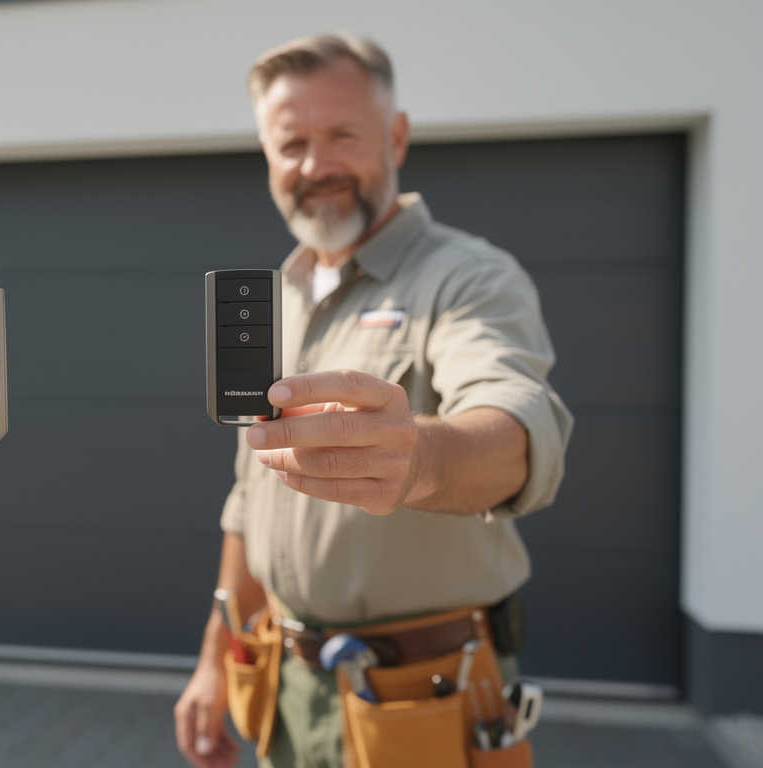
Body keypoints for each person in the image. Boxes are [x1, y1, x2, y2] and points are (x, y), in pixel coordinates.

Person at [173, 34, 573, 768]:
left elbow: (519, 425)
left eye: (341, 136)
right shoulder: (279, 299)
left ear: (395, 136)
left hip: (431, 700)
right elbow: (248, 496)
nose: (314, 165)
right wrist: (213, 654)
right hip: (286, 689)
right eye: (291, 143)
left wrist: (421, 458)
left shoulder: (471, 278)